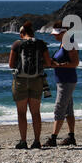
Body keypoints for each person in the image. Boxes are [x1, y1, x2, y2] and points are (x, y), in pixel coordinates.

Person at [9, 21, 52, 149]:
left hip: (20, 81)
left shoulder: (17, 44)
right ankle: (37, 141)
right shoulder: (40, 44)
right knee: (35, 112)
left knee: (21, 113)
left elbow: (11, 64)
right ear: (32, 32)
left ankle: (23, 141)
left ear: (22, 33)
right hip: (36, 80)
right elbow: (48, 63)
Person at [43, 21, 79, 147]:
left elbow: (75, 63)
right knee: (68, 109)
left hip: (67, 80)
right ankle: (71, 136)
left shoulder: (69, 43)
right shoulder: (64, 43)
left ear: (64, 32)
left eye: (57, 33)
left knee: (59, 108)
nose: (55, 36)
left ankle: (53, 138)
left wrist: (59, 65)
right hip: (63, 80)